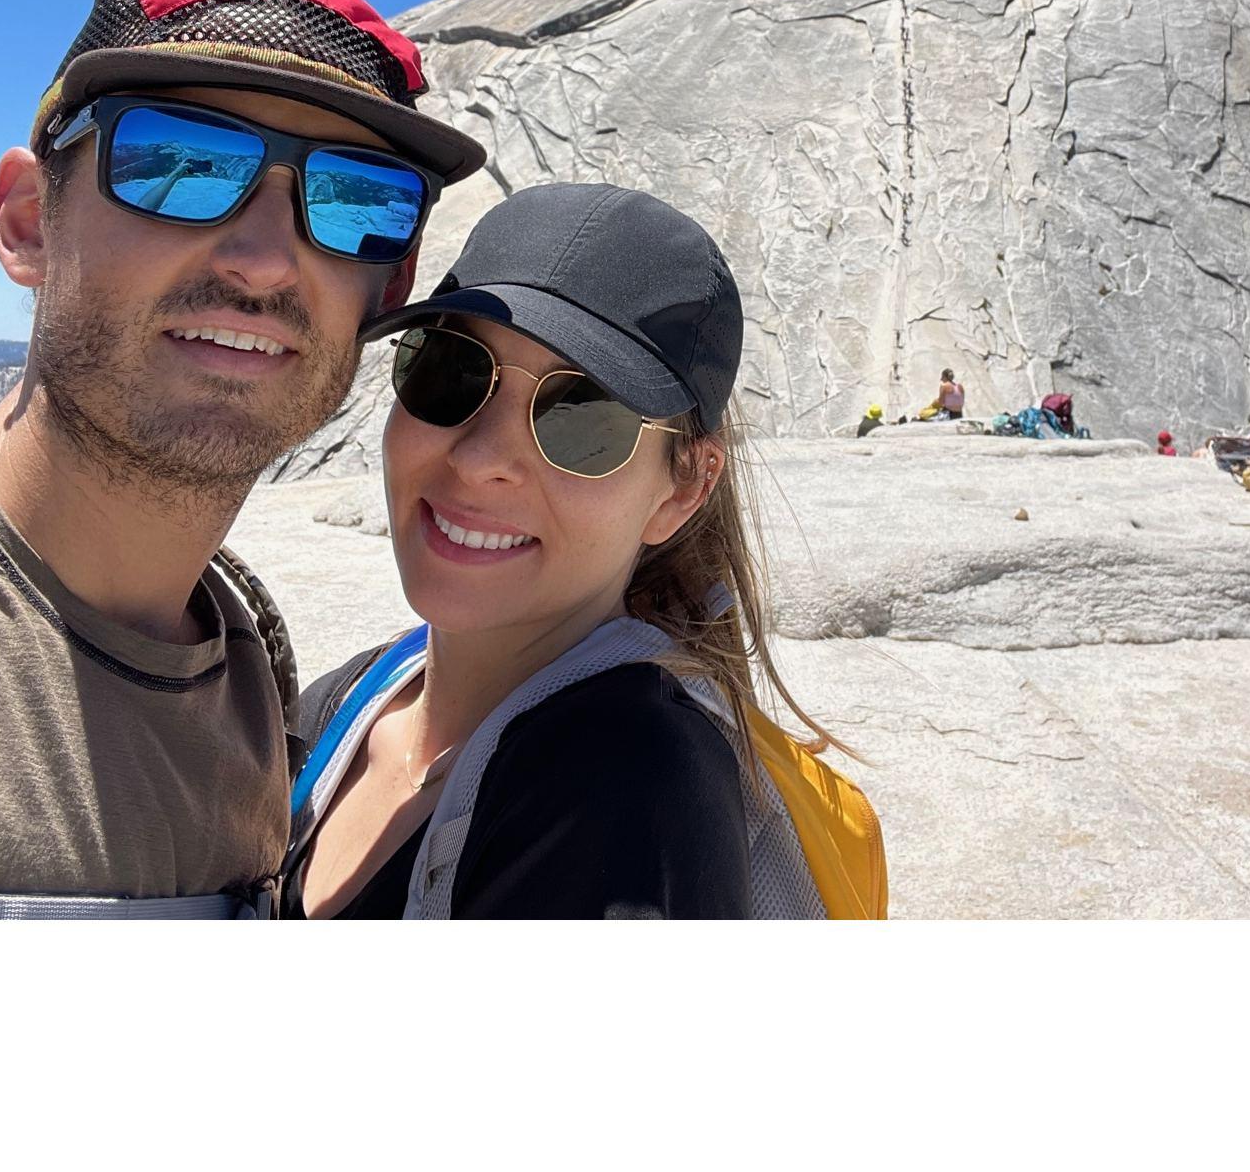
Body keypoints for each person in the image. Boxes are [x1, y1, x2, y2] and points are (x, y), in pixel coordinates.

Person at [0, 0, 483, 919]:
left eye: (356, 199)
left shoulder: (245, 664)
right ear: (26, 222)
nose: (267, 260)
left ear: (388, 286)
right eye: (178, 163)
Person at [282, 183, 858, 919]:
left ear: (683, 488)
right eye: (451, 369)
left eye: (582, 414)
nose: (481, 458)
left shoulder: (628, 785)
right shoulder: (352, 699)